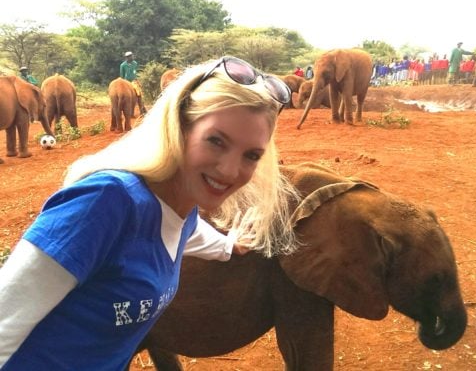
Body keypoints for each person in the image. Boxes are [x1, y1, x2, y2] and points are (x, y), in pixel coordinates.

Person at [0, 56, 299, 370]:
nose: (229, 170)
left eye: (251, 155)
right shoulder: (107, 201)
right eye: (216, 141)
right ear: (180, 126)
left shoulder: (179, 209)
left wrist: (228, 245)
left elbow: (186, 230)